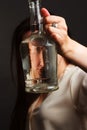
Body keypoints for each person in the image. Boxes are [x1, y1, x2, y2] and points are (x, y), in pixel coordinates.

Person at [10, 8, 87, 130]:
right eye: (28, 54)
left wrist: (70, 47)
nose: (36, 61)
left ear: (57, 46)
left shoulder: (77, 79)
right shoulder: (38, 89)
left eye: (40, 49)